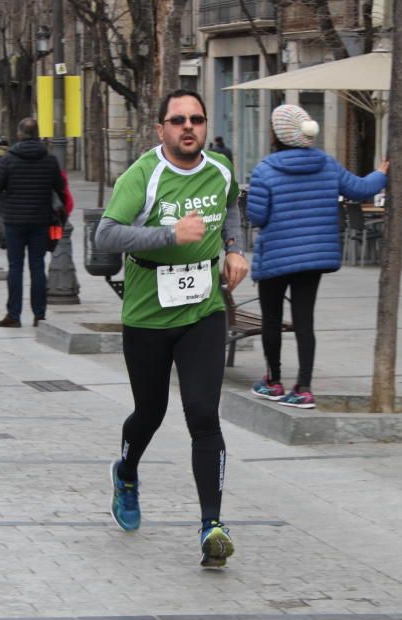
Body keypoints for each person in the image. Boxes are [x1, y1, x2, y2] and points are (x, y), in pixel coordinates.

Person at [95, 89, 248, 567]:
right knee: (151, 411)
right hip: (146, 313)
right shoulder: (143, 175)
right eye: (178, 120)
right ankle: (126, 472)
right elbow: (106, 234)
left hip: (203, 309)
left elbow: (232, 208)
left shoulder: (219, 168)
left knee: (203, 414)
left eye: (196, 119)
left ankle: (212, 526)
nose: (189, 127)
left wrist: (236, 248)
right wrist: (170, 234)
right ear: (160, 128)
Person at [247, 104, 388, 408]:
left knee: (271, 321)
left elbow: (257, 216)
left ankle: (273, 381)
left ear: (277, 134)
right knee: (304, 321)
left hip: (275, 258)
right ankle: (305, 387)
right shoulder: (328, 164)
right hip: (313, 259)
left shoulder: (265, 169)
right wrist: (382, 173)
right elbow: (361, 189)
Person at [0, 118, 66, 328]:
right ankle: (39, 315)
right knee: (38, 267)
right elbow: (60, 186)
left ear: (20, 134)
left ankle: (13, 314)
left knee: (15, 267)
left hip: (14, 221)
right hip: (40, 221)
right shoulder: (49, 159)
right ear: (38, 133)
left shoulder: (8, 159)